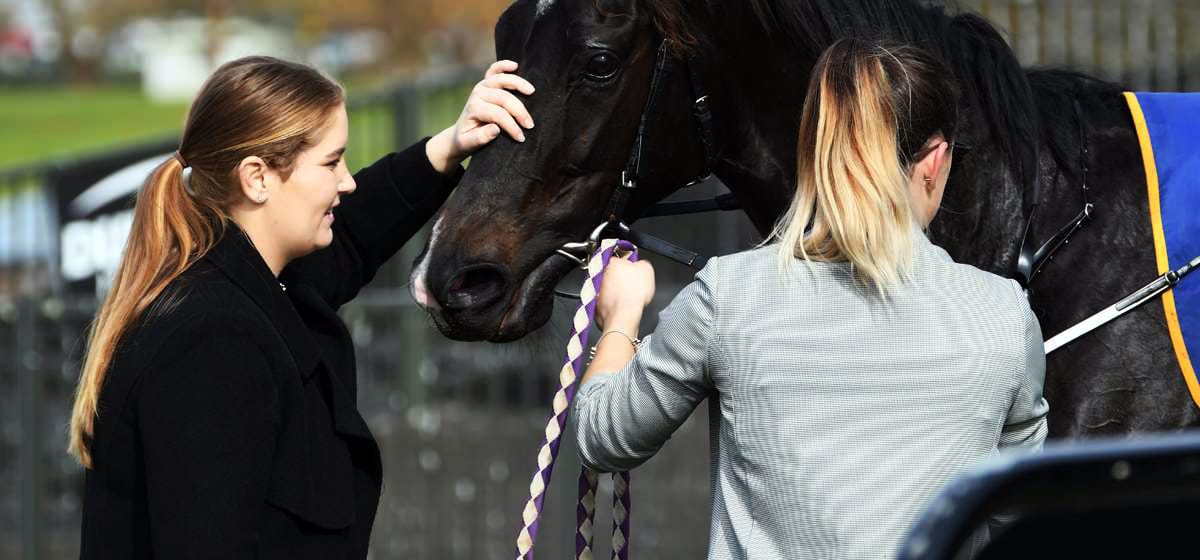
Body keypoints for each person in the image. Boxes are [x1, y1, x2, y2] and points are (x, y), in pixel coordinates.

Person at [575, 38, 1049, 560]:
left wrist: (621, 317)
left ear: (811, 150)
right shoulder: (1005, 315)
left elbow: (603, 437)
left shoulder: (726, 296)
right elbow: (1014, 508)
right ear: (935, 161)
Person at [69, 55, 534, 559]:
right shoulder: (212, 342)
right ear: (258, 178)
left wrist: (450, 145)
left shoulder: (257, 286)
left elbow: (356, 231)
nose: (347, 181)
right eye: (332, 163)